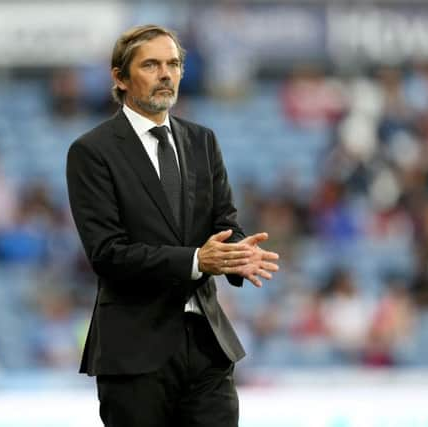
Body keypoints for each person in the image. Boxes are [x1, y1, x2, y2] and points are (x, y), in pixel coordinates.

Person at [66, 24, 279, 427]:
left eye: (174, 64)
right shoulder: (91, 152)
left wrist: (237, 254)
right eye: (151, 64)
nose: (166, 74)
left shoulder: (202, 141)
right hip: (134, 352)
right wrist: (198, 260)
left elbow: (224, 222)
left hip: (207, 346)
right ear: (120, 77)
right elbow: (108, 254)